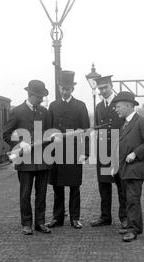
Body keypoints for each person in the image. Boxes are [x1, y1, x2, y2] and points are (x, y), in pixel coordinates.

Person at [3, 80, 52, 235]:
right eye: (39, 97)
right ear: (30, 95)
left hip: (43, 160)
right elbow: (6, 134)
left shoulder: (45, 112)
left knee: (41, 193)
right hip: (24, 161)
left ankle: (40, 222)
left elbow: (49, 133)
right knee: (25, 193)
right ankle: (26, 223)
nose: (41, 100)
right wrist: (19, 144)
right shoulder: (17, 111)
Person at [45, 71, 90, 229]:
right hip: (56, 152)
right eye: (62, 89)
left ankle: (75, 218)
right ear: (59, 88)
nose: (65, 91)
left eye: (68, 89)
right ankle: (57, 218)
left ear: (72, 89)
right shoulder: (53, 105)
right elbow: (48, 129)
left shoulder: (80, 106)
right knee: (57, 187)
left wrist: (85, 153)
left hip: (74, 152)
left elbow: (86, 131)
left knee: (74, 186)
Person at [112, 91, 144, 242]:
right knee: (128, 199)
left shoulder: (142, 122)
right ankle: (134, 226)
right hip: (125, 168)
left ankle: (133, 230)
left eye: (118, 107)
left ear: (128, 106)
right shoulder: (124, 124)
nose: (116, 109)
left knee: (132, 199)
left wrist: (135, 154)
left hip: (135, 168)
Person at [90, 75, 127, 233]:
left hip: (119, 151)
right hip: (103, 152)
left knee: (121, 186)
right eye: (100, 88)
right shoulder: (98, 107)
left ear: (111, 86)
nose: (103, 90)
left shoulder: (121, 104)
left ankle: (124, 217)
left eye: (105, 87)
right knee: (104, 186)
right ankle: (105, 216)